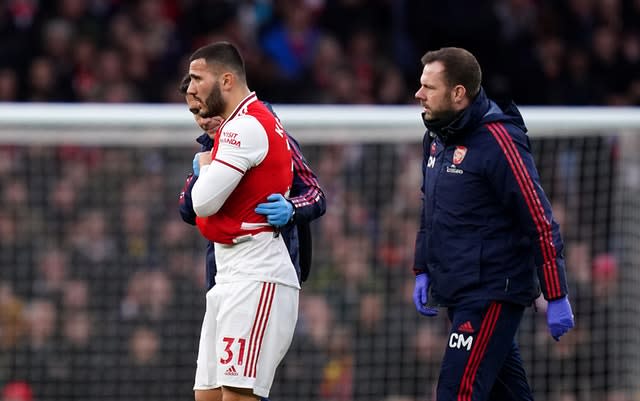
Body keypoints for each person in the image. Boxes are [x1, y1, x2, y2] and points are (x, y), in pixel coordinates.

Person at [411, 47, 575, 401]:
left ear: (458, 94)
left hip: (491, 291)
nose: (418, 94)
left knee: (457, 393)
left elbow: (539, 217)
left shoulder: (500, 141)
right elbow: (431, 210)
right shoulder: (436, 139)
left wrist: (556, 293)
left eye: (429, 87)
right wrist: (422, 267)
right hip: (459, 290)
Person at [185, 41, 304, 401]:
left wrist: (204, 166)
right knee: (207, 394)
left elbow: (202, 203)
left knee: (239, 396)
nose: (190, 88)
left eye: (196, 78)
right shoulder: (241, 126)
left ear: (225, 81)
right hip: (229, 272)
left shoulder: (245, 128)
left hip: (257, 273)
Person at [178, 74, 326, 291]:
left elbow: (315, 193)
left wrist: (292, 208)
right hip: (224, 276)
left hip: (269, 273)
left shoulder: (271, 136)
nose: (204, 120)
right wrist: (198, 180)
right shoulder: (210, 149)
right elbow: (187, 211)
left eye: (208, 109)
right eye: (196, 112)